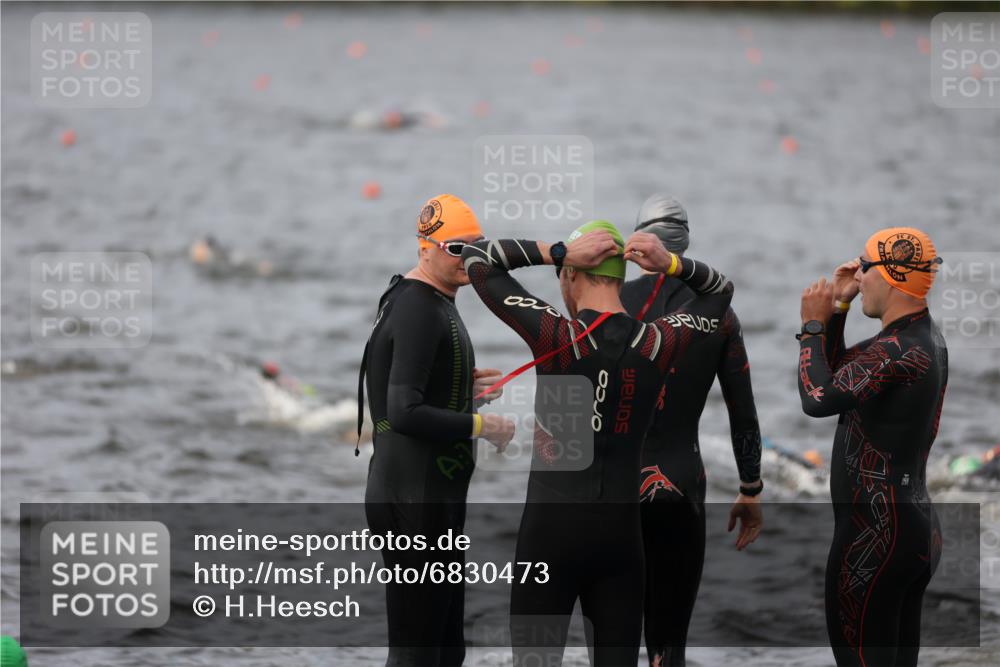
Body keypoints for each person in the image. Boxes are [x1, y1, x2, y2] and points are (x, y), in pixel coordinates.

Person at [461, 221, 734, 666]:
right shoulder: (657, 342)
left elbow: (478, 261)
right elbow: (720, 292)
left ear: (572, 275)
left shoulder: (557, 335)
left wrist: (557, 251)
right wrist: (671, 264)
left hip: (549, 537)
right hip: (621, 543)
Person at [357, 194, 515, 666]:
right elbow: (401, 412)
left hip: (430, 498)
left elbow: (405, 389)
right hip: (412, 501)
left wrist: (462, 394)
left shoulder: (427, 299)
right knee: (417, 652)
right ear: (425, 248)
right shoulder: (419, 308)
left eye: (476, 246)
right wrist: (482, 425)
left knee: (447, 650)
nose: (468, 258)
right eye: (455, 248)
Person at [620, 194, 763, 667]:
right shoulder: (720, 313)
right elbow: (742, 413)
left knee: (616, 642)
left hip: (621, 488)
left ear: (639, 241)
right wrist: (750, 489)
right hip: (683, 482)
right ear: (685, 243)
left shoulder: (614, 303)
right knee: (669, 647)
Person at [797, 227, 946, 667]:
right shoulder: (918, 339)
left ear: (893, 274)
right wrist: (839, 308)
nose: (857, 275)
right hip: (913, 527)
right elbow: (841, 371)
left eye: (865, 266)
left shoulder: (897, 350)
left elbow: (817, 397)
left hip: (874, 538)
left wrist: (810, 326)